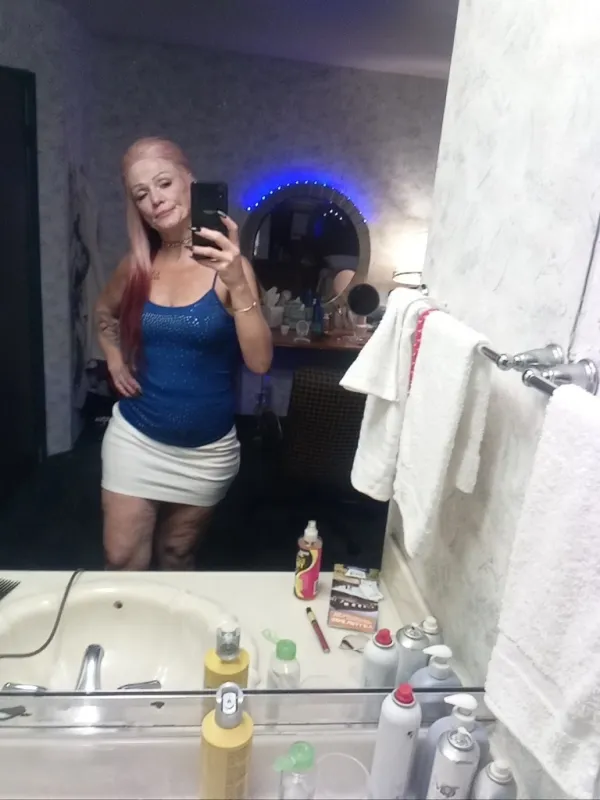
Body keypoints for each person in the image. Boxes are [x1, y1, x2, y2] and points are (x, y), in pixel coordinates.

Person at [95, 137, 273, 570]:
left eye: (164, 183)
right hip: (136, 437)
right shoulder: (137, 265)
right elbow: (103, 312)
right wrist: (114, 360)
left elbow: (260, 362)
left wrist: (238, 281)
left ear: (190, 182)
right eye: (141, 194)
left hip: (206, 452)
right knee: (121, 558)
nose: (155, 200)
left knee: (177, 555)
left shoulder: (231, 269)